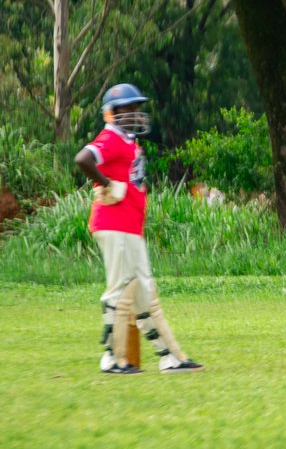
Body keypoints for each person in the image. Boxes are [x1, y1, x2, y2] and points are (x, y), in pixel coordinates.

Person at [76, 83, 204, 375]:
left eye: (136, 108)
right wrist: (105, 183)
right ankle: (112, 359)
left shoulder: (129, 141)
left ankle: (170, 357)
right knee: (121, 291)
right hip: (113, 223)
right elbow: (83, 159)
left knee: (145, 292)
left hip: (129, 226)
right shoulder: (111, 137)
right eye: (127, 109)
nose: (134, 113)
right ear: (111, 113)